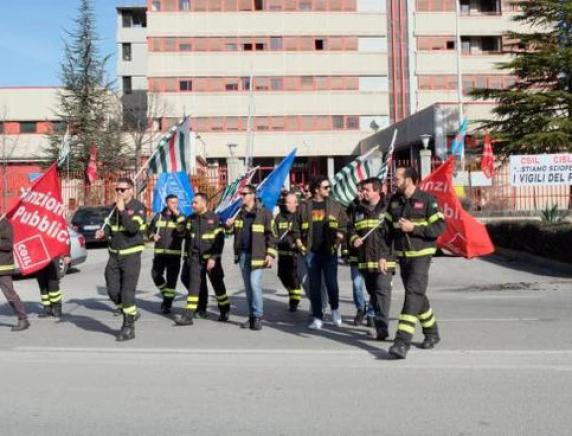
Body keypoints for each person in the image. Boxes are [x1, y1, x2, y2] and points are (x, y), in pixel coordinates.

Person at [383, 167, 445, 359]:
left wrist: (414, 227)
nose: (395, 180)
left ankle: (402, 342)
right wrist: (385, 256)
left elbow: (439, 227)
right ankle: (432, 332)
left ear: (409, 180)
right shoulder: (394, 202)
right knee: (417, 293)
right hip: (403, 255)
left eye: (398, 177)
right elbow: (386, 233)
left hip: (421, 254)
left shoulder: (427, 200)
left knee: (412, 293)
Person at [95, 177, 147, 342]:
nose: (119, 192)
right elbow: (111, 229)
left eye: (122, 190)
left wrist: (123, 210)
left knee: (127, 292)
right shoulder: (113, 209)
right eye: (117, 189)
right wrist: (104, 233)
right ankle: (130, 311)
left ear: (131, 190)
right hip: (114, 255)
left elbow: (132, 229)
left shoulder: (138, 208)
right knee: (112, 290)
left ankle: (128, 327)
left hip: (131, 255)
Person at [298, 176, 347, 330]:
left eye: (329, 187)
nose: (329, 190)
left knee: (332, 284)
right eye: (326, 187)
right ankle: (318, 317)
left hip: (329, 252)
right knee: (315, 286)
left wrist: (337, 242)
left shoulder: (335, 206)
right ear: (316, 189)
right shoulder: (305, 206)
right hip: (312, 252)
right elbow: (296, 228)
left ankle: (335, 311)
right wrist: (301, 245)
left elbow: (344, 226)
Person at [349, 178, 395, 340]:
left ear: (377, 190)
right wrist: (354, 238)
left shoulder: (389, 207)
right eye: (363, 190)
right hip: (365, 260)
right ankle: (377, 320)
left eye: (367, 190)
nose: (364, 192)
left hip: (385, 259)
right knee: (373, 293)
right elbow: (351, 228)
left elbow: (393, 233)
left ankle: (382, 327)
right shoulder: (358, 209)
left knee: (382, 291)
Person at [225, 184, 277, 331]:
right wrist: (229, 226)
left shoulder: (264, 213)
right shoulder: (239, 213)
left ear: (253, 195)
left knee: (254, 285)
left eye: (244, 194)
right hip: (243, 255)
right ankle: (252, 316)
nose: (241, 196)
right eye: (241, 194)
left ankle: (258, 316)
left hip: (258, 256)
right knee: (248, 288)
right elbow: (233, 232)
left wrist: (270, 254)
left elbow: (272, 236)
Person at [176, 192, 230, 325]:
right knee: (194, 287)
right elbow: (182, 234)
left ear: (204, 203)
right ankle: (189, 315)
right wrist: (179, 219)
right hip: (195, 259)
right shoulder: (191, 219)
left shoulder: (214, 218)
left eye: (195, 202)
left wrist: (213, 258)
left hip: (212, 260)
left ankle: (224, 310)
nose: (193, 205)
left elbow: (220, 241)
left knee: (218, 285)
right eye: (192, 202)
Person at [148, 194, 186, 314]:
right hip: (159, 253)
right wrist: (152, 236)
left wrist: (178, 216)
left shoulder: (180, 217)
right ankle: (167, 295)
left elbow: (183, 230)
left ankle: (167, 304)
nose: (175, 205)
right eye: (172, 202)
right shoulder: (158, 217)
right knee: (155, 275)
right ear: (166, 203)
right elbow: (149, 230)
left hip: (174, 254)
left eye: (176, 202)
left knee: (171, 280)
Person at [342, 187, 370, 326]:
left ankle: (371, 313)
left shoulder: (373, 207)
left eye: (363, 190)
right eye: (358, 191)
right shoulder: (352, 208)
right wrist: (345, 250)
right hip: (356, 253)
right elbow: (347, 228)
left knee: (373, 286)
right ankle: (361, 309)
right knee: (357, 284)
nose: (361, 193)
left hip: (371, 254)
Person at [274, 192, 303, 312]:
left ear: (296, 203)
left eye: (292, 202)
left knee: (294, 278)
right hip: (282, 254)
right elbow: (274, 232)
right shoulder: (279, 217)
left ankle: (294, 301)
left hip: (295, 254)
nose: (289, 205)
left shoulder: (299, 216)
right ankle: (293, 293)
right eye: (287, 202)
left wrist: (299, 243)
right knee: (282, 276)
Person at [0, 218, 30, 331]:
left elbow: (8, 244)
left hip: (3, 267)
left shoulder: (4, 223)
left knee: (10, 294)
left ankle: (23, 319)